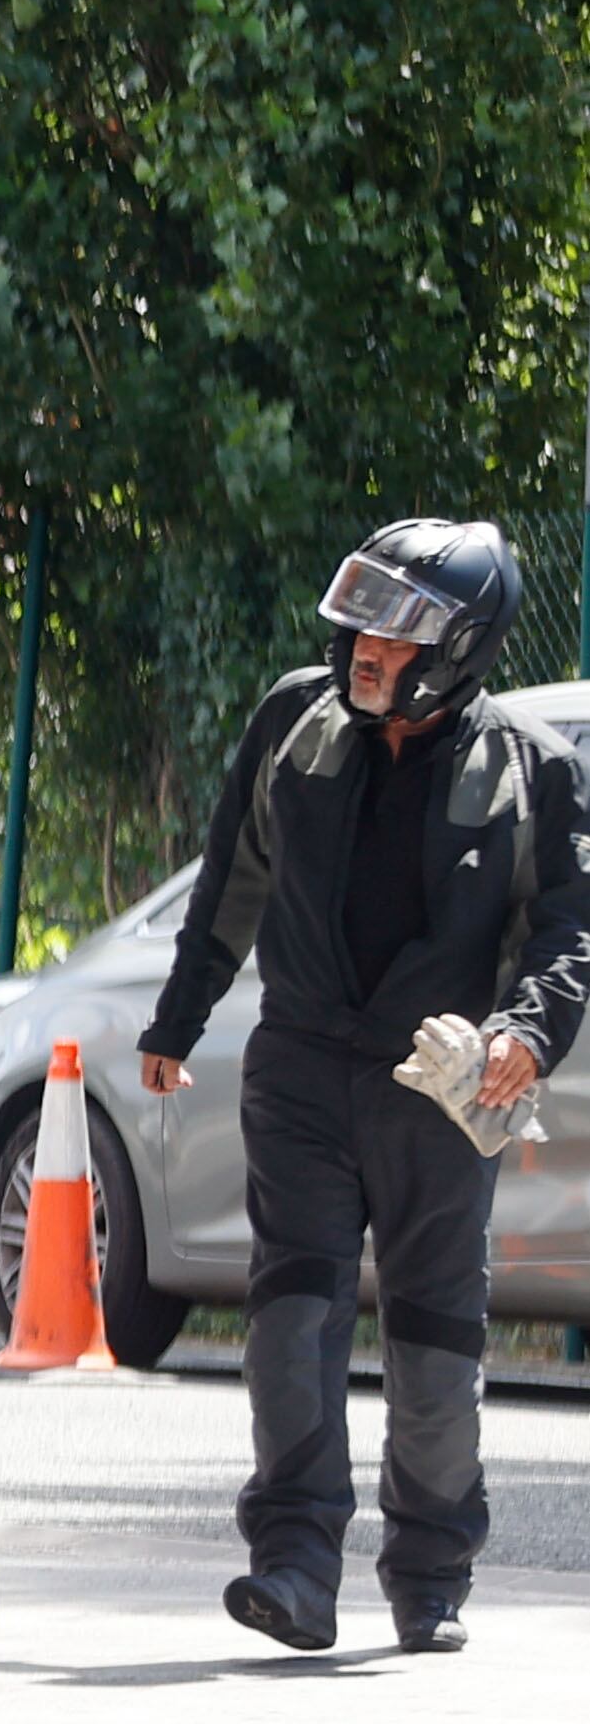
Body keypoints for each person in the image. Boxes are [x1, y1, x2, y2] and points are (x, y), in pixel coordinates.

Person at [139, 519, 590, 1656]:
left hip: (438, 1092)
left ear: (454, 646)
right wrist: (176, 1017)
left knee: (435, 1341)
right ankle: (291, 1565)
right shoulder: (293, 720)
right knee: (290, 1319)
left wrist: (526, 1035)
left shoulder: (532, 769)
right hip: (296, 1064)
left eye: (389, 633)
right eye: (357, 623)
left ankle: (428, 1571)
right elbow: (228, 879)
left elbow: (567, 934)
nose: (359, 648)